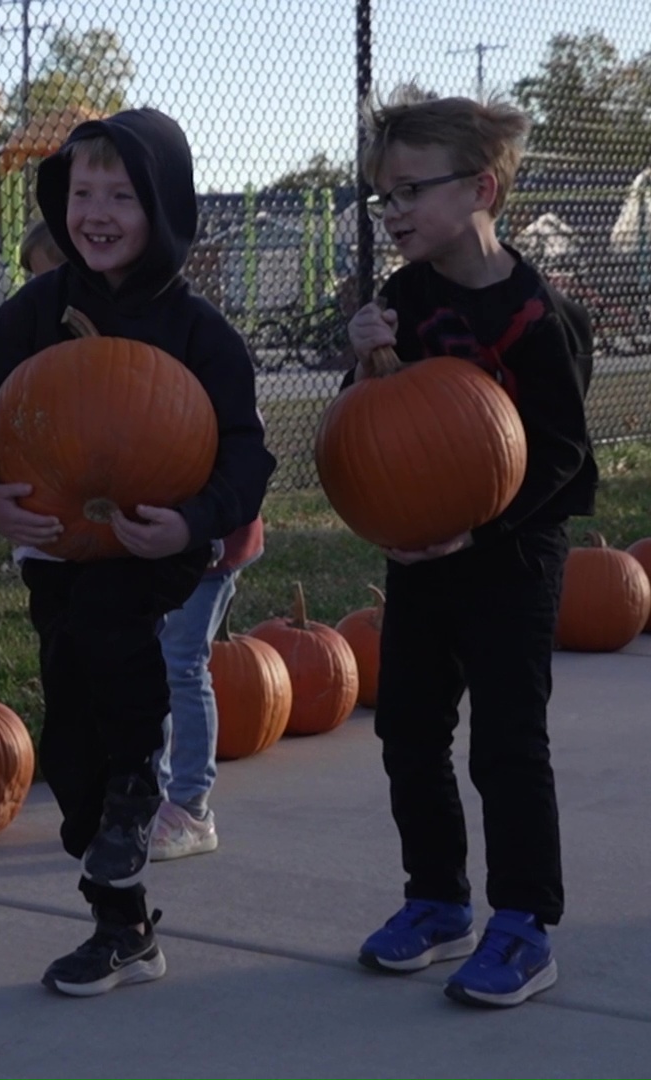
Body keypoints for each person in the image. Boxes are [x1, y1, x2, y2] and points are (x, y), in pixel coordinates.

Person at [0, 109, 274, 997]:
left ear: (163, 208)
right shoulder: (35, 312)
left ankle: (138, 780)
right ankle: (121, 919)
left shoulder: (199, 334)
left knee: (111, 628)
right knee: (69, 725)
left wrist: (195, 520)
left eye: (121, 195)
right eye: (82, 192)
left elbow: (247, 453)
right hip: (56, 545)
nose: (96, 210)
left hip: (152, 546)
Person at [345, 96, 594, 1008]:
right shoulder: (399, 300)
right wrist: (362, 357)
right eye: (384, 197)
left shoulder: (538, 315)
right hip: (422, 558)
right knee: (409, 730)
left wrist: (478, 528)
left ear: (482, 188)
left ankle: (526, 923)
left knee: (507, 744)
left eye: (412, 190)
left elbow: (562, 453)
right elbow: (378, 432)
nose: (395, 212)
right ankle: (437, 899)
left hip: (514, 556)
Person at [150, 517, 263, 861]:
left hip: (210, 544)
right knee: (147, 663)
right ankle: (147, 795)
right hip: (152, 546)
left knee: (181, 664)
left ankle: (191, 807)